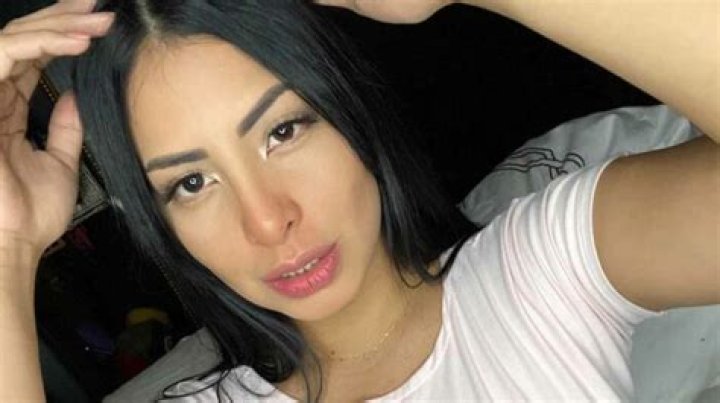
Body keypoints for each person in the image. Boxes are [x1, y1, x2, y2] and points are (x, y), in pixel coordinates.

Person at [0, 0, 717, 401]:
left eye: (284, 131)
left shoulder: (547, 271)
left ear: (350, 109)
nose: (266, 219)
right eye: (191, 183)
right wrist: (7, 249)